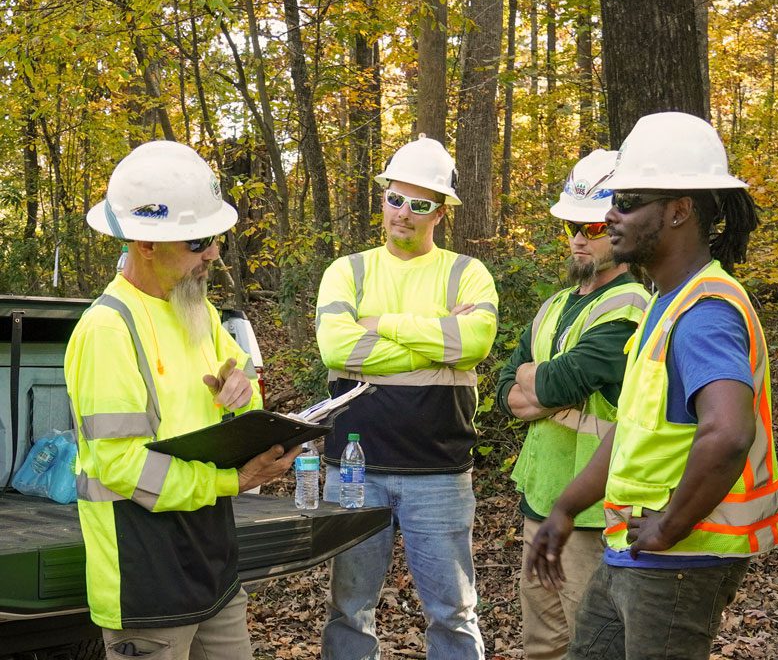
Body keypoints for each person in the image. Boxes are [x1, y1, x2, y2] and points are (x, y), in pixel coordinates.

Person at [527, 112, 778, 659]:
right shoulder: (666, 302)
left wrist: (669, 526)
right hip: (635, 551)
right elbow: (632, 430)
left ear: (678, 211)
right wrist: (567, 508)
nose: (611, 214)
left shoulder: (706, 312)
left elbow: (728, 433)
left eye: (628, 200)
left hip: (680, 559)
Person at [66, 140, 297, 659]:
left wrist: (244, 392)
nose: (214, 252)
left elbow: (241, 390)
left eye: (214, 237)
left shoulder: (197, 309)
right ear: (145, 242)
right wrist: (232, 481)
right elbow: (122, 465)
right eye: (198, 241)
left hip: (213, 566)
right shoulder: (108, 330)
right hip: (145, 580)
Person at [315, 134, 499, 660]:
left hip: (439, 473)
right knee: (349, 609)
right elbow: (335, 344)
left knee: (453, 612)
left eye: (420, 204)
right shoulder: (346, 270)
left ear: (440, 212)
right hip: (355, 470)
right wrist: (436, 343)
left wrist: (380, 326)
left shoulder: (467, 272)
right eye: (396, 198)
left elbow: (474, 344)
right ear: (383, 198)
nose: (404, 212)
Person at [496, 149, 650, 659]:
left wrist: (535, 384)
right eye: (571, 227)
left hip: (591, 511)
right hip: (540, 497)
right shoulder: (555, 304)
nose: (579, 237)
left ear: (619, 228)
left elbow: (560, 382)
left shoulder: (630, 306)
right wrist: (530, 385)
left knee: (591, 643)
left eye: (592, 225)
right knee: (541, 641)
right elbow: (504, 387)